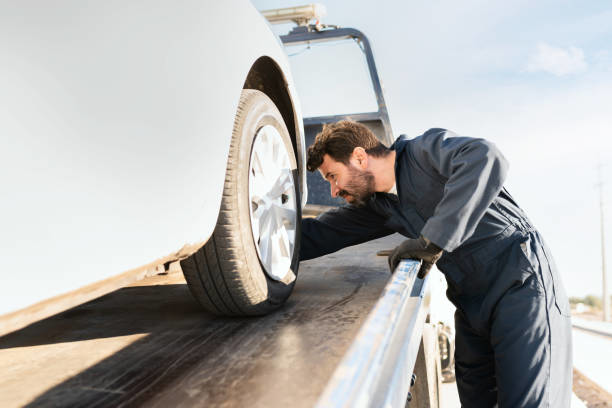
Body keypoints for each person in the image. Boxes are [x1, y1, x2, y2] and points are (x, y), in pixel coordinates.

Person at [300, 120, 572, 407]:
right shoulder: (380, 207)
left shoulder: (423, 152)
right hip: (470, 303)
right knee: (477, 397)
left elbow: (486, 157)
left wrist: (432, 241)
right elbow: (320, 233)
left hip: (520, 282)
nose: (333, 190)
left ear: (359, 157)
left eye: (333, 176)